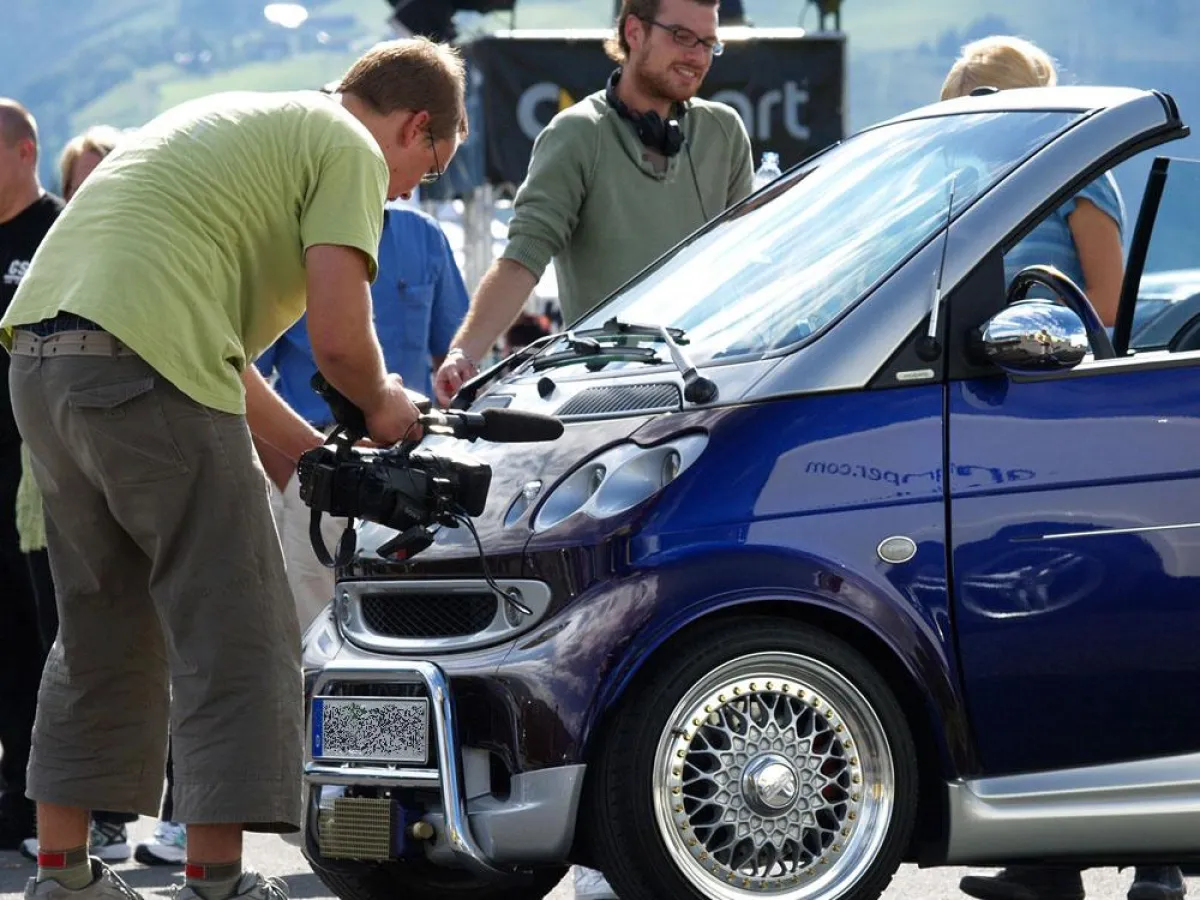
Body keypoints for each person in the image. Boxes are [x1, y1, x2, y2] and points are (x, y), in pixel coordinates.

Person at [0, 34, 466, 900]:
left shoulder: (241, 123)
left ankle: (63, 879)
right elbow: (338, 339)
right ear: (416, 127)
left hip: (41, 358)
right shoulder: (351, 148)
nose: (410, 192)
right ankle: (217, 883)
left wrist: (305, 459)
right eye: (430, 169)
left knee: (100, 627)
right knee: (235, 630)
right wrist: (385, 406)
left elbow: (220, 362)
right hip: (144, 363)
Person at [944, 40, 1181, 900]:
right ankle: (1049, 863)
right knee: (1033, 633)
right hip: (997, 418)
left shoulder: (1080, 172)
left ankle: (1157, 858)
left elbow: (1104, 305)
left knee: (1104, 628)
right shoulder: (963, 186)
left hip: (1070, 412)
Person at [433, 0, 753, 408]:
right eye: (682, 37)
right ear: (634, 32)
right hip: (610, 397)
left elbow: (745, 265)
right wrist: (465, 354)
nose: (697, 56)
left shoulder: (724, 131)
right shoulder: (577, 133)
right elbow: (523, 258)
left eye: (709, 43)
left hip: (715, 386)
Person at [13, 123, 141, 865]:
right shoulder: (59, 253)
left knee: (116, 638)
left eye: (108, 173)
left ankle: (117, 815)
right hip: (44, 480)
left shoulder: (132, 251)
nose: (96, 189)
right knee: (62, 642)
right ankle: (68, 828)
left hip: (122, 466)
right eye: (84, 177)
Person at [254, 199, 469, 630]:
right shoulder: (286, 243)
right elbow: (243, 382)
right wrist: (302, 483)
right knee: (316, 635)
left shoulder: (425, 235)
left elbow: (458, 360)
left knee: (413, 627)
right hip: (320, 465)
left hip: (417, 468)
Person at [940, 35, 1125, 328]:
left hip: (1055, 365)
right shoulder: (971, 188)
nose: (973, 138)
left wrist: (1013, 330)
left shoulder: (1076, 175)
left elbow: (1109, 302)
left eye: (984, 121)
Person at [0, 98, 61, 855]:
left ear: (23, 151)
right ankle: (14, 796)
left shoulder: (60, 231)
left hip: (43, 477)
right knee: (8, 647)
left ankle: (74, 803)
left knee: (56, 643)